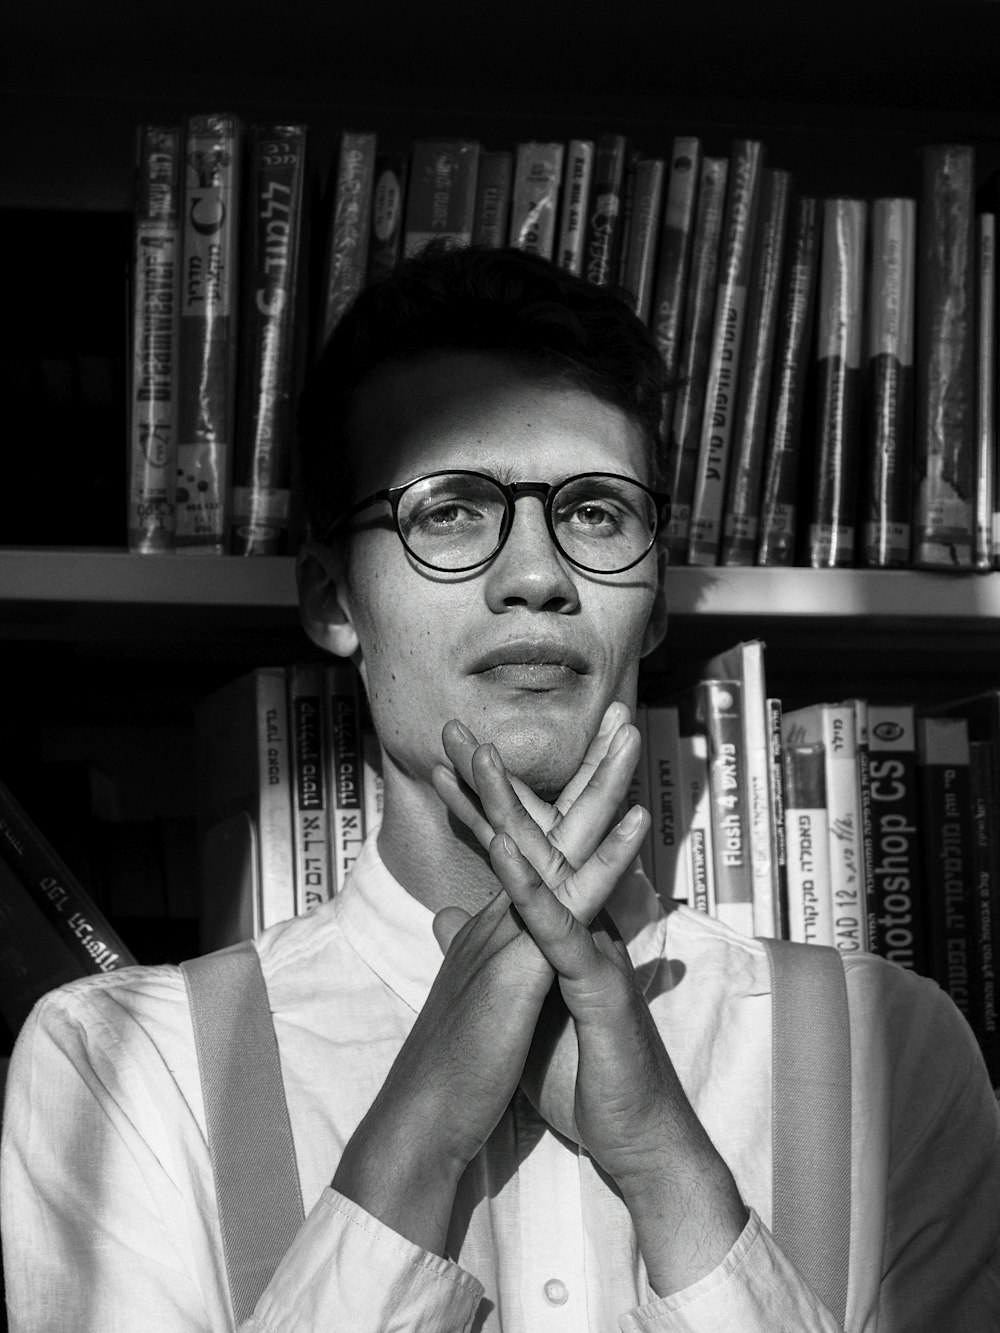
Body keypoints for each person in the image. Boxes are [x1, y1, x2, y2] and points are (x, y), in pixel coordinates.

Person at [3, 244, 1000, 1332]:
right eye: (451, 509)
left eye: (596, 513)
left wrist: (671, 1169)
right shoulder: (127, 1067)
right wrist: (414, 1137)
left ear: (654, 606)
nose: (536, 574)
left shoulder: (889, 1049)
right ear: (334, 599)